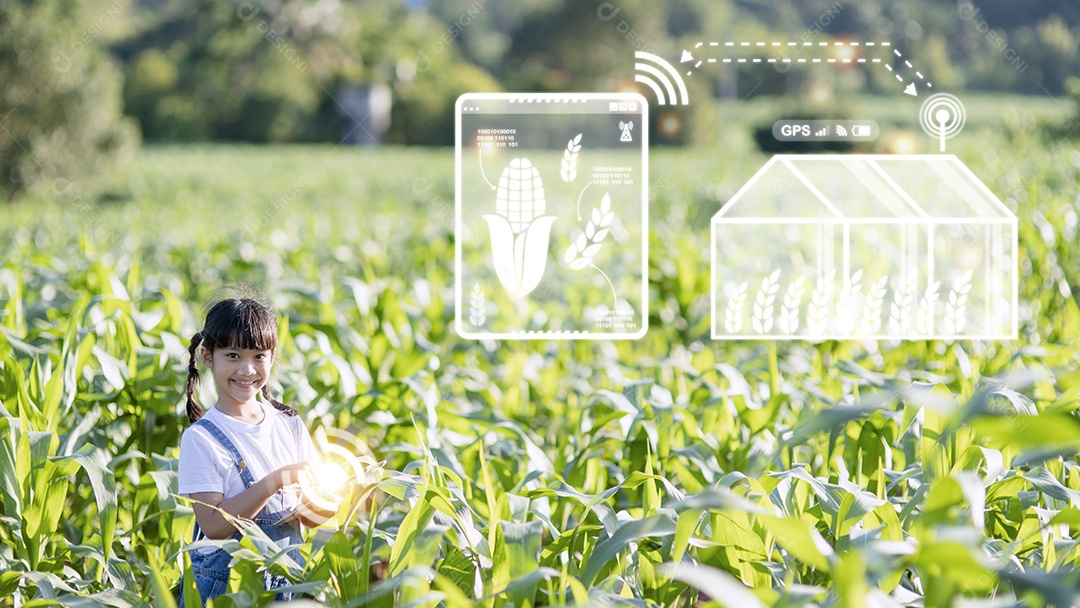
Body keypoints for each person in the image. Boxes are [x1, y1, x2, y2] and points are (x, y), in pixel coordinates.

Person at [177, 296, 327, 604]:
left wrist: (336, 495)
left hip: (285, 586)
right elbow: (215, 525)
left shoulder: (290, 425)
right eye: (232, 355)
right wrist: (276, 480)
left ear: (272, 358)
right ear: (207, 356)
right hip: (229, 592)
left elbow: (313, 517)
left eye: (259, 356)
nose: (247, 370)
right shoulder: (202, 439)